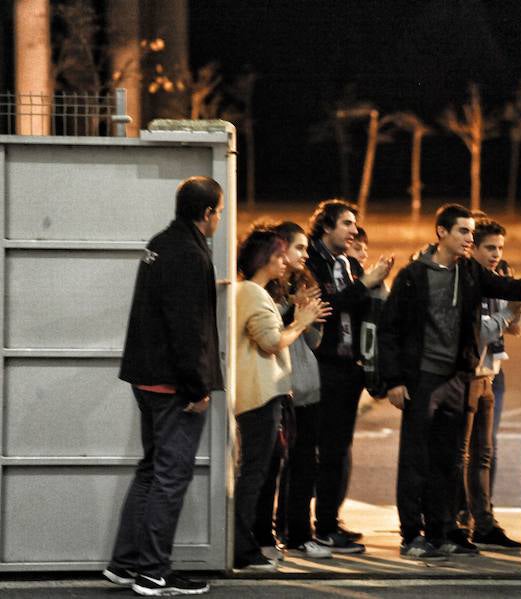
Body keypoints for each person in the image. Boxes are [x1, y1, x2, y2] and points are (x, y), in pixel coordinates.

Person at [378, 203, 521, 559]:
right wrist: (394, 380)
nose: (470, 238)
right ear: (441, 232)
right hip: (423, 379)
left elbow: (510, 287)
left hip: (459, 378)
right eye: (463, 231)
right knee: (416, 460)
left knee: (449, 461)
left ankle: (440, 533)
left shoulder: (470, 272)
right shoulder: (414, 275)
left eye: (472, 232)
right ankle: (412, 535)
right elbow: (390, 329)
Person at [104, 176, 224, 596]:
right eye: (219, 212)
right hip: (173, 386)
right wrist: (197, 389)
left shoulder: (160, 243)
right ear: (208, 213)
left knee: (150, 470)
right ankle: (153, 572)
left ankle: (124, 564)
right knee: (170, 476)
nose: (219, 220)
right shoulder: (191, 254)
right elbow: (186, 329)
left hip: (144, 377)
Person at [233, 228, 330, 570]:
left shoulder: (252, 292)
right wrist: (301, 322)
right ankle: (242, 548)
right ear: (264, 259)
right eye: (277, 255)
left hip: (265, 392)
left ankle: (247, 544)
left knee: (260, 469)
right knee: (255, 472)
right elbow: (271, 341)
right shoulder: (252, 293)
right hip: (260, 393)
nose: (283, 261)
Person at [306, 199, 393, 553]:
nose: (354, 230)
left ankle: (329, 520)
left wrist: (375, 285)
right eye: (346, 223)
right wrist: (365, 283)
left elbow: (360, 308)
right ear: (326, 227)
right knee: (324, 450)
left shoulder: (346, 263)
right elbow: (328, 306)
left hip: (347, 367)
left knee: (339, 449)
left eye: (354, 224)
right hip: (323, 367)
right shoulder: (313, 263)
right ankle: (321, 527)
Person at [454, 218, 521, 550]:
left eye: (500, 248)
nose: (496, 254)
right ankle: (457, 521)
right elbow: (481, 332)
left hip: (492, 372)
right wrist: (509, 312)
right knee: (462, 452)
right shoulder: (464, 279)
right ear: (474, 248)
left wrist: (517, 305)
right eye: (490, 248)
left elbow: (516, 329)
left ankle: (484, 521)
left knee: (485, 452)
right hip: (466, 374)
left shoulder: (499, 277)